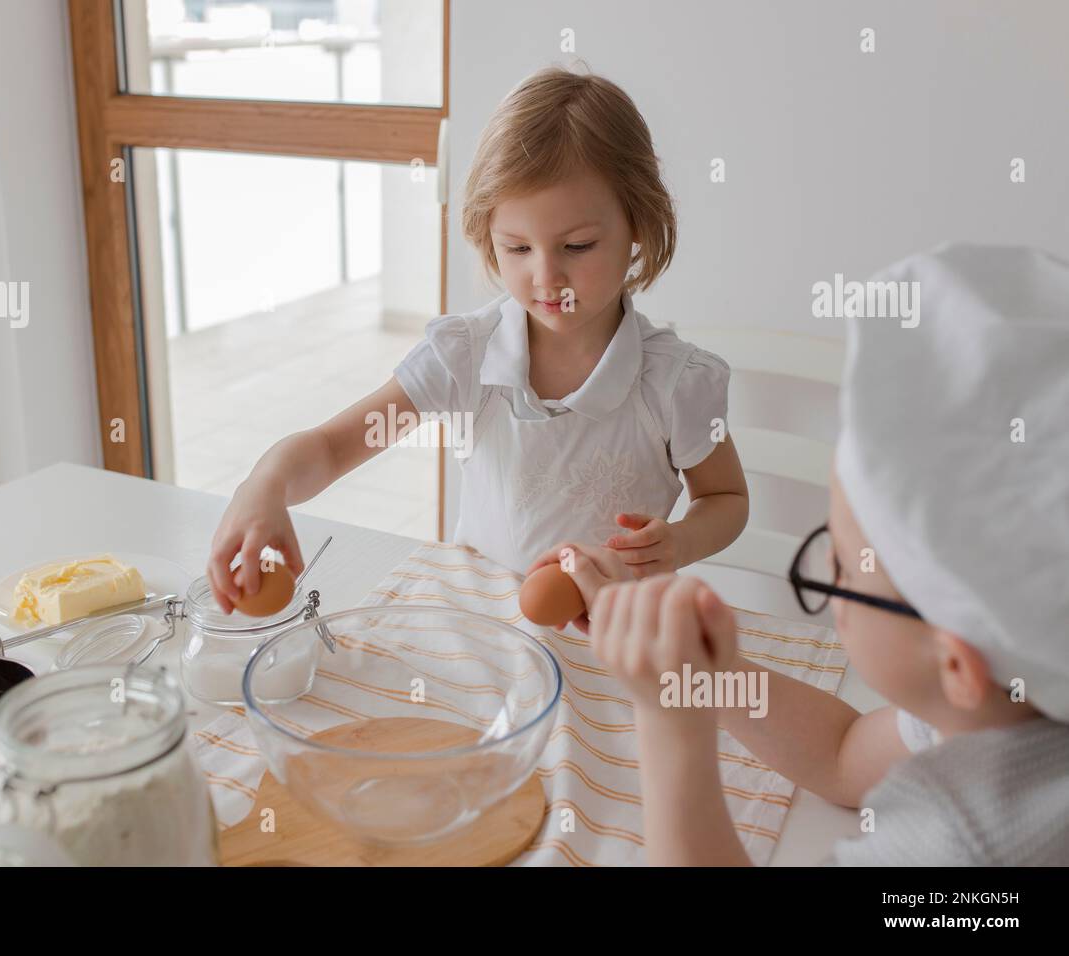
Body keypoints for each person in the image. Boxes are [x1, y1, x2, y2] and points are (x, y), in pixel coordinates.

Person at [549, 242, 1069, 865]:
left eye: (843, 571)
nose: (830, 576)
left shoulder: (971, 843)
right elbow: (844, 753)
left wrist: (670, 726)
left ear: (956, 666)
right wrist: (702, 675)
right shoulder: (1012, 699)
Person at [207, 65, 747, 610]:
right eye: (517, 248)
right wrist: (265, 486)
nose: (546, 277)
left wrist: (679, 541)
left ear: (639, 225)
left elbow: (725, 497)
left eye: (578, 246)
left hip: (620, 640)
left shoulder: (674, 384)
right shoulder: (465, 357)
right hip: (477, 630)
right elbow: (330, 447)